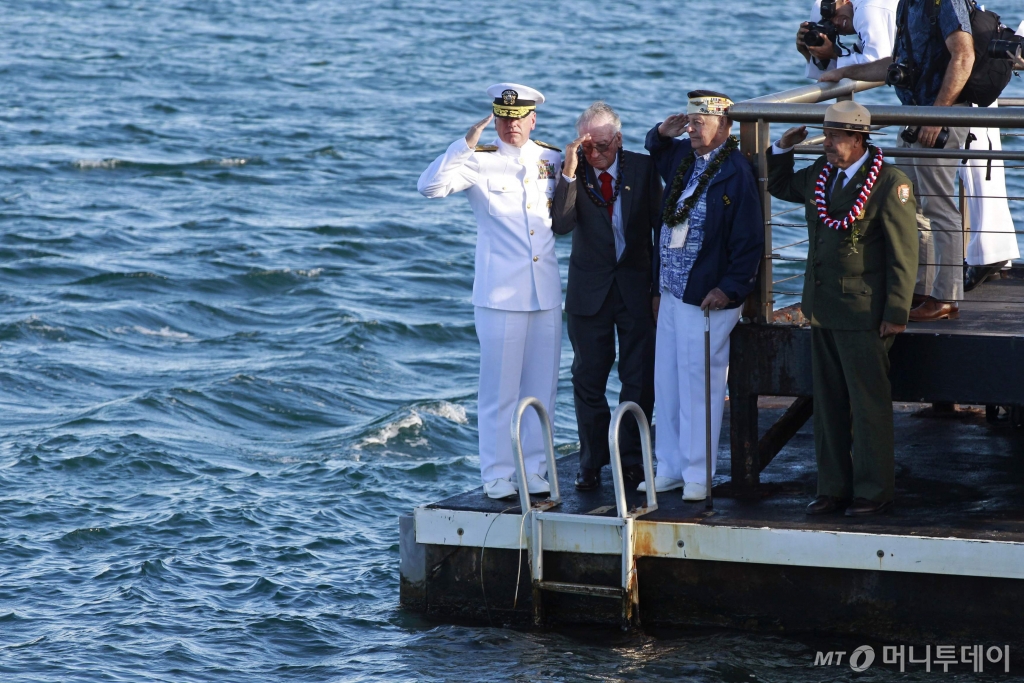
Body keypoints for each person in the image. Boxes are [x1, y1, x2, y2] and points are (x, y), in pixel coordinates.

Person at [767, 101, 919, 516]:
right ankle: (832, 487)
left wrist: (896, 313)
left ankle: (873, 491)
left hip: (863, 313)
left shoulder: (890, 183)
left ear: (858, 139)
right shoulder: (821, 174)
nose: (827, 144)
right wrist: (781, 147)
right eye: (826, 135)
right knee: (828, 401)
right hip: (823, 308)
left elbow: (903, 255)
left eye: (835, 137)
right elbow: (780, 186)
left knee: (868, 404)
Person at [417, 83, 563, 500]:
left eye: (517, 119)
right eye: (502, 117)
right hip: (500, 295)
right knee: (499, 390)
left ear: (532, 119)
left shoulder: (550, 158)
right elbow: (429, 188)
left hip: (546, 294)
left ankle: (535, 468)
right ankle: (498, 472)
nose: (509, 126)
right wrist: (464, 144)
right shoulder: (477, 161)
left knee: (542, 388)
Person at [640, 91, 763, 502]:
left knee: (701, 386)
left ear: (724, 126)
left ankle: (698, 472)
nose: (692, 129)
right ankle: (670, 466)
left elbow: (749, 241)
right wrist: (663, 130)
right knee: (669, 382)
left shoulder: (735, 172)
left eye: (700, 123)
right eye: (690, 122)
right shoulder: (683, 160)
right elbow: (655, 148)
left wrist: (729, 289)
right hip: (673, 291)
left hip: (706, 297)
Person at [821, 0, 975, 321]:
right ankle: (921, 290)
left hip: (936, 118)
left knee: (940, 208)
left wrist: (936, 115)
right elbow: (898, 62)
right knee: (912, 208)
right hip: (914, 117)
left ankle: (945, 297)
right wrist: (846, 71)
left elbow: (964, 55)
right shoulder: (908, 3)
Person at [551, 102, 662, 491]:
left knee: (638, 378)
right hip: (589, 291)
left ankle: (631, 459)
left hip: (635, 288)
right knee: (587, 378)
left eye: (600, 146)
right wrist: (568, 170)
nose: (594, 155)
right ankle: (592, 460)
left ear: (618, 140)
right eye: (586, 148)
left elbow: (659, 230)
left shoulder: (642, 168)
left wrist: (658, 288)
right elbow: (561, 225)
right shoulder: (575, 171)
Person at [798, 0, 898, 82]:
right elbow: (855, 63)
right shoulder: (863, 8)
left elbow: (877, 65)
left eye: (834, 13)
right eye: (831, 25)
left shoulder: (865, 10)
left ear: (846, 1)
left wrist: (834, 56)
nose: (836, 22)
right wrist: (810, 53)